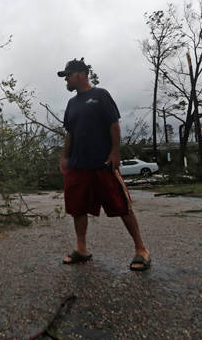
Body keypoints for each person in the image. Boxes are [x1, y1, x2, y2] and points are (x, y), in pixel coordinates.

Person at [57, 58, 151, 271]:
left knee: (121, 205)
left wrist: (115, 152)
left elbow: (114, 125)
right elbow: (70, 133)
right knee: (77, 208)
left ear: (81, 74)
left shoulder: (100, 95)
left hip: (102, 163)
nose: (66, 80)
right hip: (78, 165)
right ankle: (82, 249)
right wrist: (64, 157)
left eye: (68, 75)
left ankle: (141, 249)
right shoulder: (72, 103)